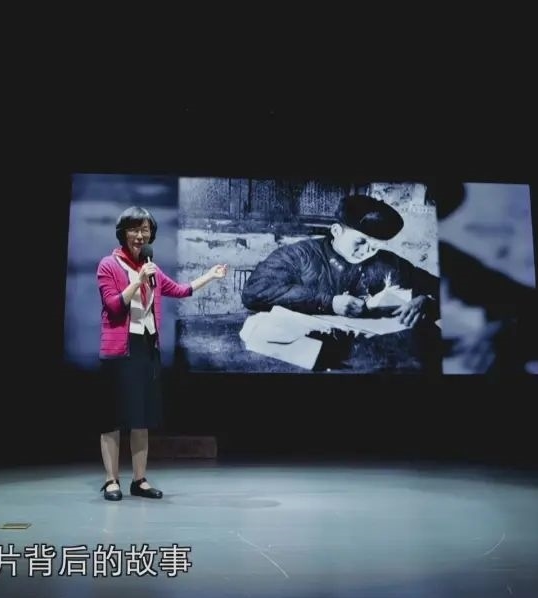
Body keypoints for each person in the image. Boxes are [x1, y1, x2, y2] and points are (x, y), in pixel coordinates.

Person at [96, 206, 226, 501]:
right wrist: (138, 280)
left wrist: (210, 276)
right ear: (123, 233)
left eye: (145, 230)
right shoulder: (109, 265)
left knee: (141, 418)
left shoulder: (150, 267)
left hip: (146, 347)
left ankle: (139, 480)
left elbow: (180, 290)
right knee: (112, 418)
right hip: (119, 350)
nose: (140, 236)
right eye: (134, 229)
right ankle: (111, 480)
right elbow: (113, 306)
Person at [241, 194, 440, 328]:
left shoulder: (387, 263)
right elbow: (254, 292)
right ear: (336, 231)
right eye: (360, 242)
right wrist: (330, 303)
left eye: (375, 246)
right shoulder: (299, 254)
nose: (368, 251)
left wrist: (427, 301)